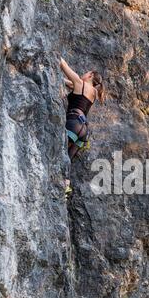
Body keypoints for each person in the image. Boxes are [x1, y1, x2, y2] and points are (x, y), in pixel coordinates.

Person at [59, 57, 105, 195]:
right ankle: (65, 187)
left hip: (73, 123)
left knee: (58, 152)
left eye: (86, 73)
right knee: (68, 158)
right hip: (83, 131)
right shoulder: (94, 92)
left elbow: (63, 64)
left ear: (90, 75)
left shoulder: (80, 83)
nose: (83, 74)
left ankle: (58, 184)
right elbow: (68, 83)